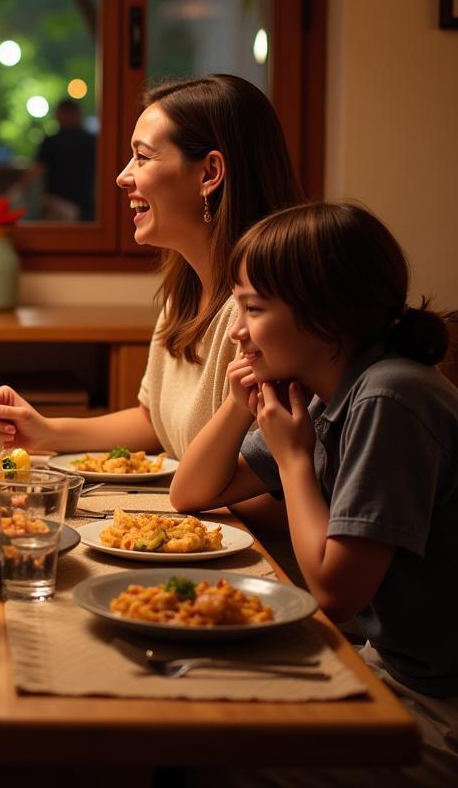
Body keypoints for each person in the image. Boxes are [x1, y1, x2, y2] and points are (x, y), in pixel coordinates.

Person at [170, 201, 458, 786]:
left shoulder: (389, 398)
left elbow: (335, 592)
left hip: (437, 705)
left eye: (253, 307)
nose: (237, 329)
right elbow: (190, 493)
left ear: (326, 318)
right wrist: (236, 403)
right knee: (181, 691)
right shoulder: (328, 391)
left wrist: (293, 459)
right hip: (390, 669)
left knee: (198, 751)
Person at [0, 74, 304, 465]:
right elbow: (152, 421)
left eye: (143, 157)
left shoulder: (261, 316)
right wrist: (45, 430)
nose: (122, 177)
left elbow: (266, 481)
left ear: (209, 174)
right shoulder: (183, 292)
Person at [8, 97, 97, 221]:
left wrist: (15, 191)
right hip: (68, 203)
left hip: (63, 203)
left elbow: (36, 170)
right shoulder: (91, 141)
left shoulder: (55, 141)